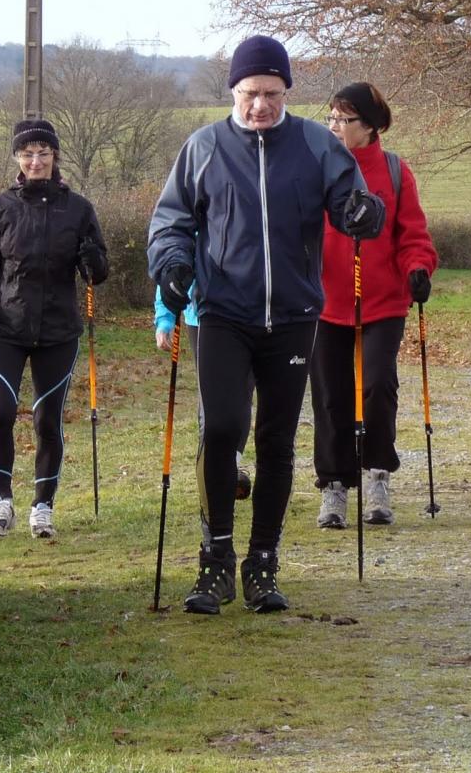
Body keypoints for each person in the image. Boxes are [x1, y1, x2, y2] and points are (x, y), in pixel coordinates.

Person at [147, 35, 384, 615]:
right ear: (233, 90)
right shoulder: (203, 148)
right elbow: (170, 222)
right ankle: (215, 562)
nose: (261, 106)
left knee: (277, 440)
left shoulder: (315, 144)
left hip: (294, 316)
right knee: (222, 429)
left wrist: (362, 212)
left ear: (287, 92)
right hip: (223, 314)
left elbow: (357, 204)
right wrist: (173, 265)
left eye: (273, 94)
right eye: (251, 93)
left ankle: (262, 564)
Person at [0, 119, 109, 538]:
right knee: (1, 413)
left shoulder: (79, 209)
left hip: (58, 331)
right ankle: (0, 503)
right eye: (27, 153)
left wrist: (91, 258)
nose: (35, 160)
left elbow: (98, 273)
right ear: (17, 158)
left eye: (43, 153)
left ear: (54, 157)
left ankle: (42, 506)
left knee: (48, 420)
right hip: (4, 328)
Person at [312, 83, 438, 529]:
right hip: (326, 302)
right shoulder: (318, 168)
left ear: (369, 126)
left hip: (383, 301)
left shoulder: (394, 171)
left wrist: (418, 268)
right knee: (330, 396)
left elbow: (413, 235)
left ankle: (377, 472)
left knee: (378, 386)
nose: (334, 127)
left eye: (344, 119)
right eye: (331, 118)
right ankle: (333, 487)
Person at [153, 285, 255, 499]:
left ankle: (229, 469)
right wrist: (165, 317)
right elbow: (172, 266)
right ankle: (211, 473)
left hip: (249, 314)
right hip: (200, 315)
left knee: (241, 392)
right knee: (210, 399)